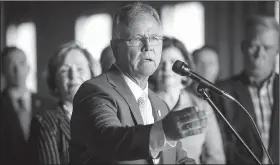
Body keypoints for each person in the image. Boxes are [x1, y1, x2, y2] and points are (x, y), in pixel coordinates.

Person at [70, 3, 208, 164]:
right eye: (136, 39)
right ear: (115, 47)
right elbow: (109, 140)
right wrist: (164, 131)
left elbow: (180, 159)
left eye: (155, 38)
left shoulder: (159, 104)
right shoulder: (95, 91)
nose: (148, 47)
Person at [210, 15, 279, 164]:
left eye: (267, 47)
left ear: (277, 51)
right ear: (243, 47)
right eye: (254, 46)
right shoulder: (220, 93)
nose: (260, 54)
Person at [150, 36, 225, 164]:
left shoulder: (202, 106)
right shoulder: (141, 103)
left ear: (186, 66)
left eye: (173, 62)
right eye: (160, 63)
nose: (167, 68)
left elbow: (216, 157)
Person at [27, 41, 96, 164]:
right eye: (64, 71)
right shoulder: (45, 122)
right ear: (54, 81)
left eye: (80, 69)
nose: (73, 75)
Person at [0, 47, 55, 165]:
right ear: (2, 70)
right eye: (10, 64)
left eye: (21, 63)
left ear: (28, 68)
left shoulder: (48, 105)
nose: (17, 69)